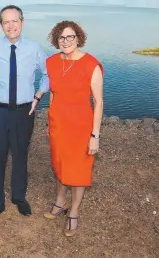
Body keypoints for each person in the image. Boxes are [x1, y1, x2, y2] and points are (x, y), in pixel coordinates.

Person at [0, 5, 49, 226]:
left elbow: (48, 74)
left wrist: (38, 97)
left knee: (20, 155)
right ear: (1, 25)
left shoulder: (35, 49)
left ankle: (19, 196)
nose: (11, 26)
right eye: (6, 22)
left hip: (23, 111)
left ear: (22, 22)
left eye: (14, 21)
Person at [43, 20, 104, 237]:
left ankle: (74, 211)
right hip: (58, 124)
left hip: (81, 127)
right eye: (61, 37)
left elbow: (98, 102)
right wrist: (50, 117)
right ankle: (60, 201)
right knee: (59, 164)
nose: (66, 41)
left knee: (78, 169)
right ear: (56, 40)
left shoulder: (91, 65)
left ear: (78, 38)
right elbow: (53, 92)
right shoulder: (51, 62)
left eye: (70, 37)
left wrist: (94, 135)